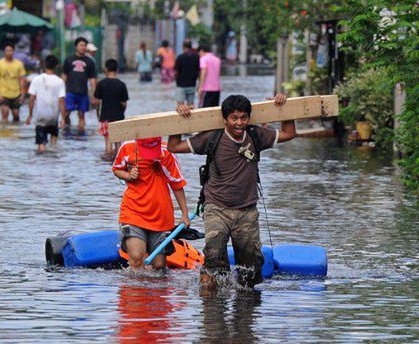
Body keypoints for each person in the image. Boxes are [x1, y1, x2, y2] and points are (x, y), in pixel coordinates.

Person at [167, 94, 295, 288]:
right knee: (214, 258)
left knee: (250, 271)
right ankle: (211, 307)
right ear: (225, 119)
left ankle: (246, 312)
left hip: (247, 211)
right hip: (217, 208)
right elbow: (174, 146)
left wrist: (283, 109)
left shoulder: (255, 135)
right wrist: (179, 120)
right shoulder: (213, 137)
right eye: (234, 118)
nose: (239, 123)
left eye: (243, 118)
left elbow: (289, 133)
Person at [112, 137, 190, 270]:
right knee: (136, 257)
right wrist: (128, 176)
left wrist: (184, 214)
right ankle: (134, 288)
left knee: (159, 266)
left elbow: (177, 184)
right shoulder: (127, 147)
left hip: (160, 215)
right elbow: (116, 168)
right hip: (133, 211)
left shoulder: (167, 152)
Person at [26, 55, 66, 153]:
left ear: (44, 65)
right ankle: (52, 164)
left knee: (41, 146)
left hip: (41, 118)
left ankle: (43, 162)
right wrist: (63, 119)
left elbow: (31, 98)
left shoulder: (36, 79)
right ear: (56, 66)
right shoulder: (60, 81)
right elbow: (61, 101)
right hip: (54, 118)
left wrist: (30, 115)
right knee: (53, 145)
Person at [94, 59, 129, 160]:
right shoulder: (121, 85)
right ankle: (119, 162)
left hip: (105, 117)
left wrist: (98, 115)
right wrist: (122, 113)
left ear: (106, 69)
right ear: (116, 70)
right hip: (119, 118)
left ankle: (107, 161)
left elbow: (97, 102)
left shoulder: (101, 84)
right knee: (119, 145)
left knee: (108, 143)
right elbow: (124, 103)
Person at [62, 37, 98, 132]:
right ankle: (67, 128)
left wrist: (95, 95)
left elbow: (93, 79)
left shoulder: (90, 62)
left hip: (83, 92)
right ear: (76, 46)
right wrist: (61, 91)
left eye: (84, 45)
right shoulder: (68, 60)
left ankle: (81, 134)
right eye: (81, 45)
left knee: (81, 114)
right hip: (70, 91)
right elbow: (64, 76)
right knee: (66, 113)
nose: (83, 47)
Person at [0, 43, 27, 124]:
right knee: (5, 113)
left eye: (11, 50)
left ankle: (15, 132)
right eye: (7, 50)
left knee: (16, 115)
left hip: (16, 93)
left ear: (14, 51)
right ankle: (4, 133)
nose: (9, 52)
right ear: (4, 52)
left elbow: (22, 79)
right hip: (3, 93)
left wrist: (23, 94)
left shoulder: (19, 64)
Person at [174, 39, 200, 106]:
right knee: (191, 107)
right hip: (192, 85)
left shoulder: (180, 57)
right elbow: (199, 71)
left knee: (180, 107)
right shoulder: (197, 57)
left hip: (181, 85)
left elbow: (176, 72)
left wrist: (176, 81)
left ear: (183, 46)